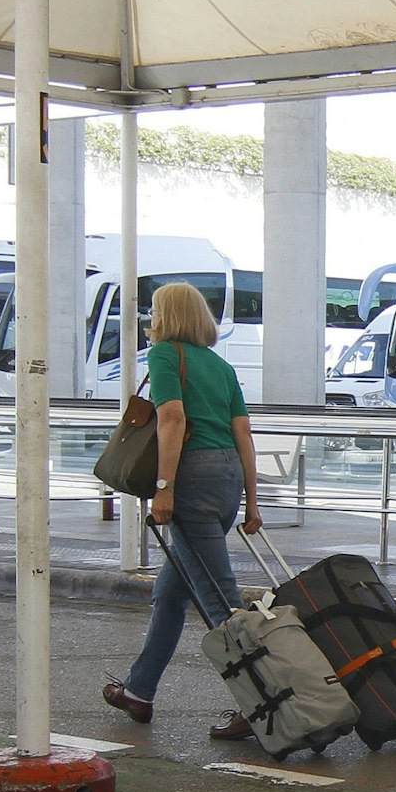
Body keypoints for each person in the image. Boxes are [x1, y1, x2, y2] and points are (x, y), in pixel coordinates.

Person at [102, 281, 264, 741]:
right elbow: (244, 435)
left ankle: (260, 702)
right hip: (227, 479)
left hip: (190, 478)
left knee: (219, 599)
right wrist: (252, 500)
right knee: (172, 594)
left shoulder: (165, 355)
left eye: (153, 310)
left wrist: (163, 487)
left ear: (165, 316)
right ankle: (139, 689)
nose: (149, 317)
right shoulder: (220, 366)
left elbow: (172, 419)